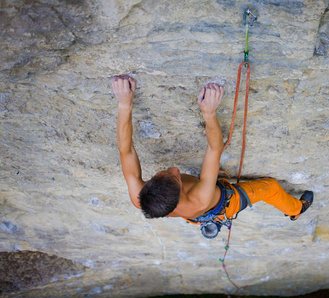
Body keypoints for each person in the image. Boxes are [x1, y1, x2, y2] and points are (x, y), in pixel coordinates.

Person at [112, 75, 313, 238]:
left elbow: (125, 150)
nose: (174, 169)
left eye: (163, 173)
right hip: (223, 203)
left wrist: (124, 104)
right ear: (182, 192)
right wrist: (209, 113)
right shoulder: (200, 198)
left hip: (198, 204)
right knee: (270, 188)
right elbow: (214, 148)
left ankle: (218, 180)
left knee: (212, 177)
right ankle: (296, 210)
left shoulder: (141, 198)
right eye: (176, 177)